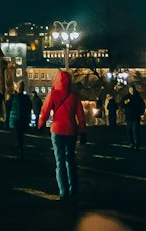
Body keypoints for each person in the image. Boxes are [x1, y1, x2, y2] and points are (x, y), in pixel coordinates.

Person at [37, 69, 86, 201]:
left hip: (57, 130)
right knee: (70, 159)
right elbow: (81, 116)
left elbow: (45, 111)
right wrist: (83, 131)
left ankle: (63, 191)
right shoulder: (74, 96)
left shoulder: (53, 94)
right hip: (71, 130)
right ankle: (73, 188)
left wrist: (40, 124)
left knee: (60, 161)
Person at [6, 82, 32, 159]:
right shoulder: (23, 98)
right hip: (18, 119)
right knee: (19, 135)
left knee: (19, 135)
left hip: (19, 119)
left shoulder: (14, 97)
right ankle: (20, 150)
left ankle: (19, 150)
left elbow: (8, 107)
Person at [122, 83, 146, 150]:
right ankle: (131, 142)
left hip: (135, 116)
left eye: (132, 89)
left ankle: (136, 143)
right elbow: (121, 105)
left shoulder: (138, 97)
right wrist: (125, 103)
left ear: (134, 90)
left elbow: (143, 105)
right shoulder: (126, 97)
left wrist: (141, 113)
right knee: (129, 131)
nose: (131, 90)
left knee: (135, 130)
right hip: (129, 117)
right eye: (130, 89)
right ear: (128, 90)